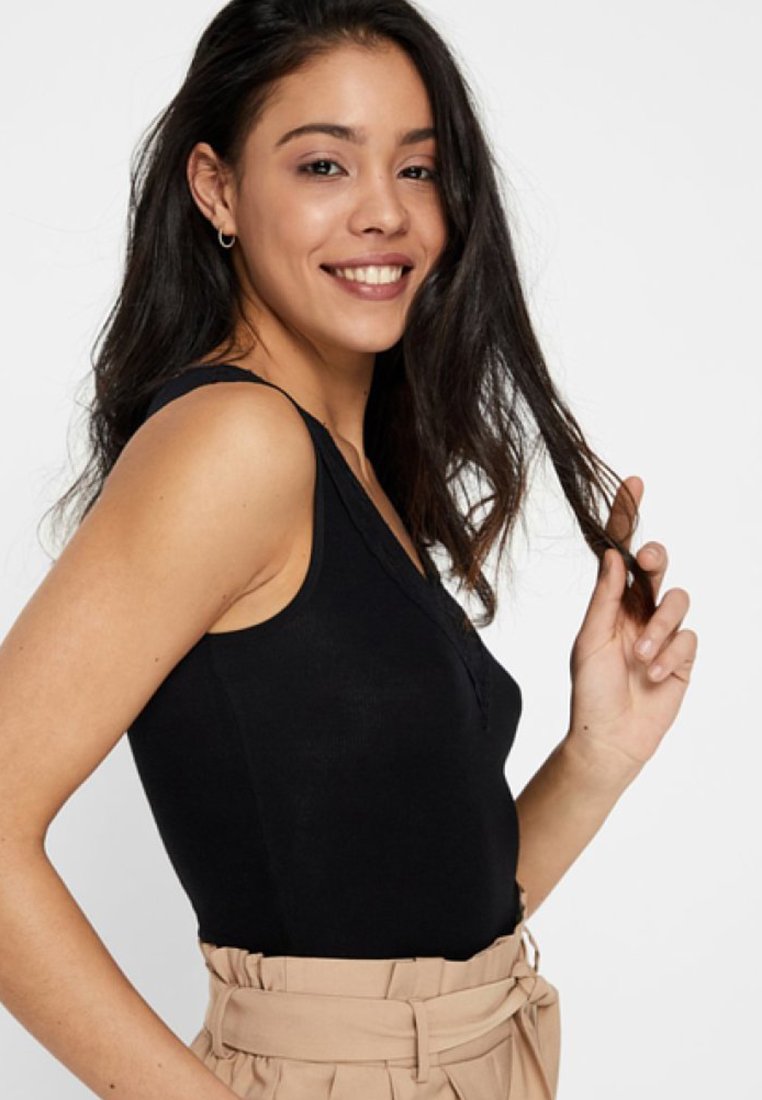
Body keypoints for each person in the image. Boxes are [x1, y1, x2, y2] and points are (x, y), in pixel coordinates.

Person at [0, 1, 697, 1097]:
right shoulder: (237, 442)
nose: (385, 213)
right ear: (216, 189)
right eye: (324, 164)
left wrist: (598, 752)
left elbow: (413, 928)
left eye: (418, 170)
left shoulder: (350, 461)